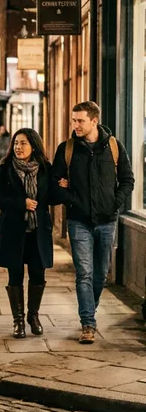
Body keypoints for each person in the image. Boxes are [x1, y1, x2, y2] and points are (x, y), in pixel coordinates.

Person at [52, 101, 135, 344]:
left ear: (94, 121)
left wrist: (114, 204)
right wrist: (73, 201)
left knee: (101, 275)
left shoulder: (113, 146)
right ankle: (87, 323)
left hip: (107, 221)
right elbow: (54, 185)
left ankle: (90, 306)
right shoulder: (66, 149)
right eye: (73, 120)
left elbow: (128, 180)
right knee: (84, 273)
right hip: (79, 222)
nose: (75, 125)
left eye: (80, 121)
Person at [0, 129, 55, 339]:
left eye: (23, 143)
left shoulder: (45, 168)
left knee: (38, 273)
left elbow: (51, 196)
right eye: (16, 143)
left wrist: (65, 187)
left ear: (33, 146)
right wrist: (22, 203)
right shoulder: (5, 168)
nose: (18, 147)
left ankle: (33, 316)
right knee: (15, 275)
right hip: (13, 231)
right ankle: (18, 321)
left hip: (37, 232)